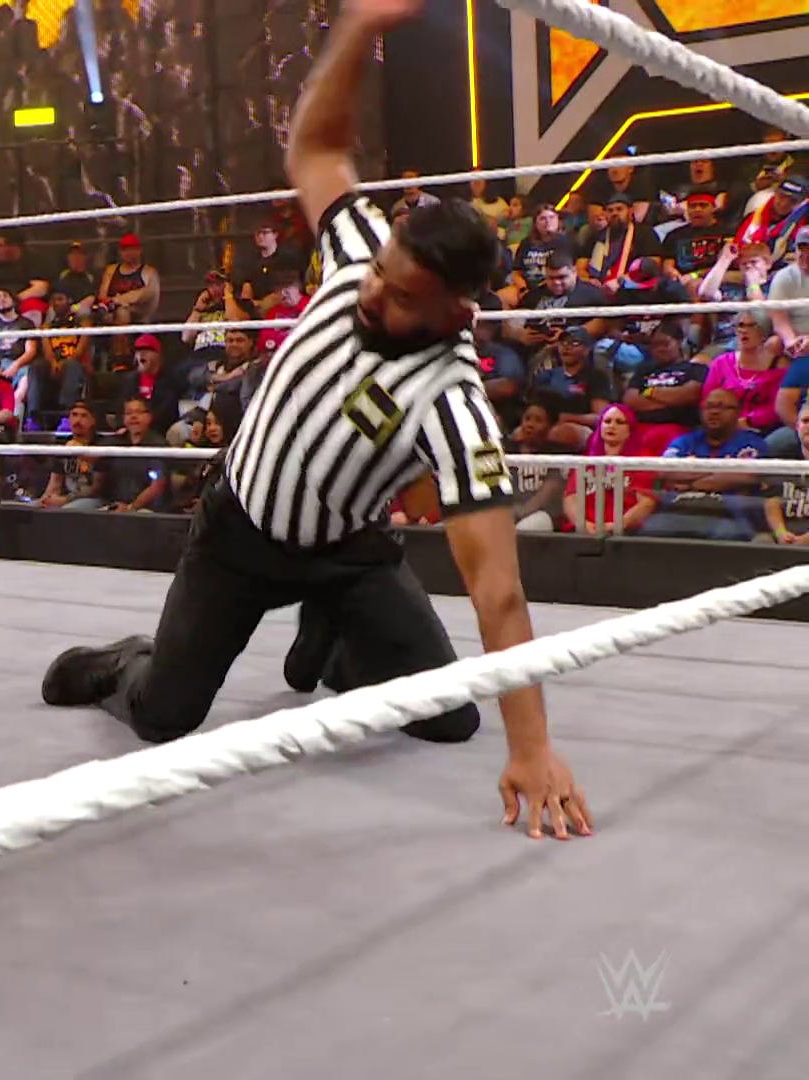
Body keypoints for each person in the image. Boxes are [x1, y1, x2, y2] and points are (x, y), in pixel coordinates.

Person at [39, 0, 591, 842]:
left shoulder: (453, 402)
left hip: (348, 553)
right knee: (163, 716)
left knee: (450, 719)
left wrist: (534, 748)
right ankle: (121, 659)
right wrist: (358, 29)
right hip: (237, 531)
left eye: (400, 296)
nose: (372, 293)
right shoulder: (359, 253)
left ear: (455, 312)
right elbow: (319, 148)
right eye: (379, 273)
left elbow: (497, 587)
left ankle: (331, 640)